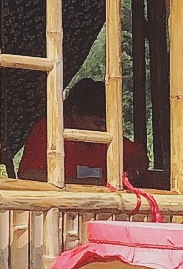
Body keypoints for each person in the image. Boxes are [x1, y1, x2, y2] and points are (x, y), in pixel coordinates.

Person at [16, 78, 149, 187]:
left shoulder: (106, 136)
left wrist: (133, 172)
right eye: (97, 123)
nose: (103, 129)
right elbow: (28, 175)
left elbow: (139, 155)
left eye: (107, 125)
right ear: (75, 114)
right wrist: (82, 184)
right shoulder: (50, 130)